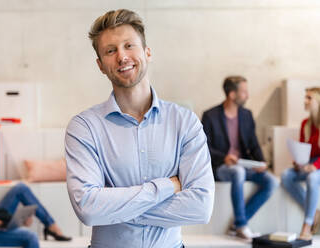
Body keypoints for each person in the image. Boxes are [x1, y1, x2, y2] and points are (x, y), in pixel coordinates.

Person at [65, 9, 215, 248]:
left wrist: (115, 209)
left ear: (147, 52)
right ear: (101, 65)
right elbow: (89, 209)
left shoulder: (185, 122)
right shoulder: (84, 127)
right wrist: (168, 186)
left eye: (129, 46)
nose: (122, 57)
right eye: (110, 51)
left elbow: (201, 207)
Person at [201, 76, 278, 240]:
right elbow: (204, 148)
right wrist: (224, 158)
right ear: (232, 94)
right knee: (237, 172)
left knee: (272, 181)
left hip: (244, 165)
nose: (247, 95)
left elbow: (254, 143)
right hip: (221, 167)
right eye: (244, 92)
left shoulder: (246, 115)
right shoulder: (210, 116)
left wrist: (261, 162)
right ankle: (242, 226)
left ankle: (237, 223)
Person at [281, 87, 320, 240]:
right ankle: (314, 212)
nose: (305, 101)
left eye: (309, 98)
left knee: (312, 178)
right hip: (308, 164)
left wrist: (314, 167)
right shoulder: (306, 123)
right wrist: (299, 163)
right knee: (286, 176)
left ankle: (307, 225)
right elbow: (304, 150)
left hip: (317, 166)